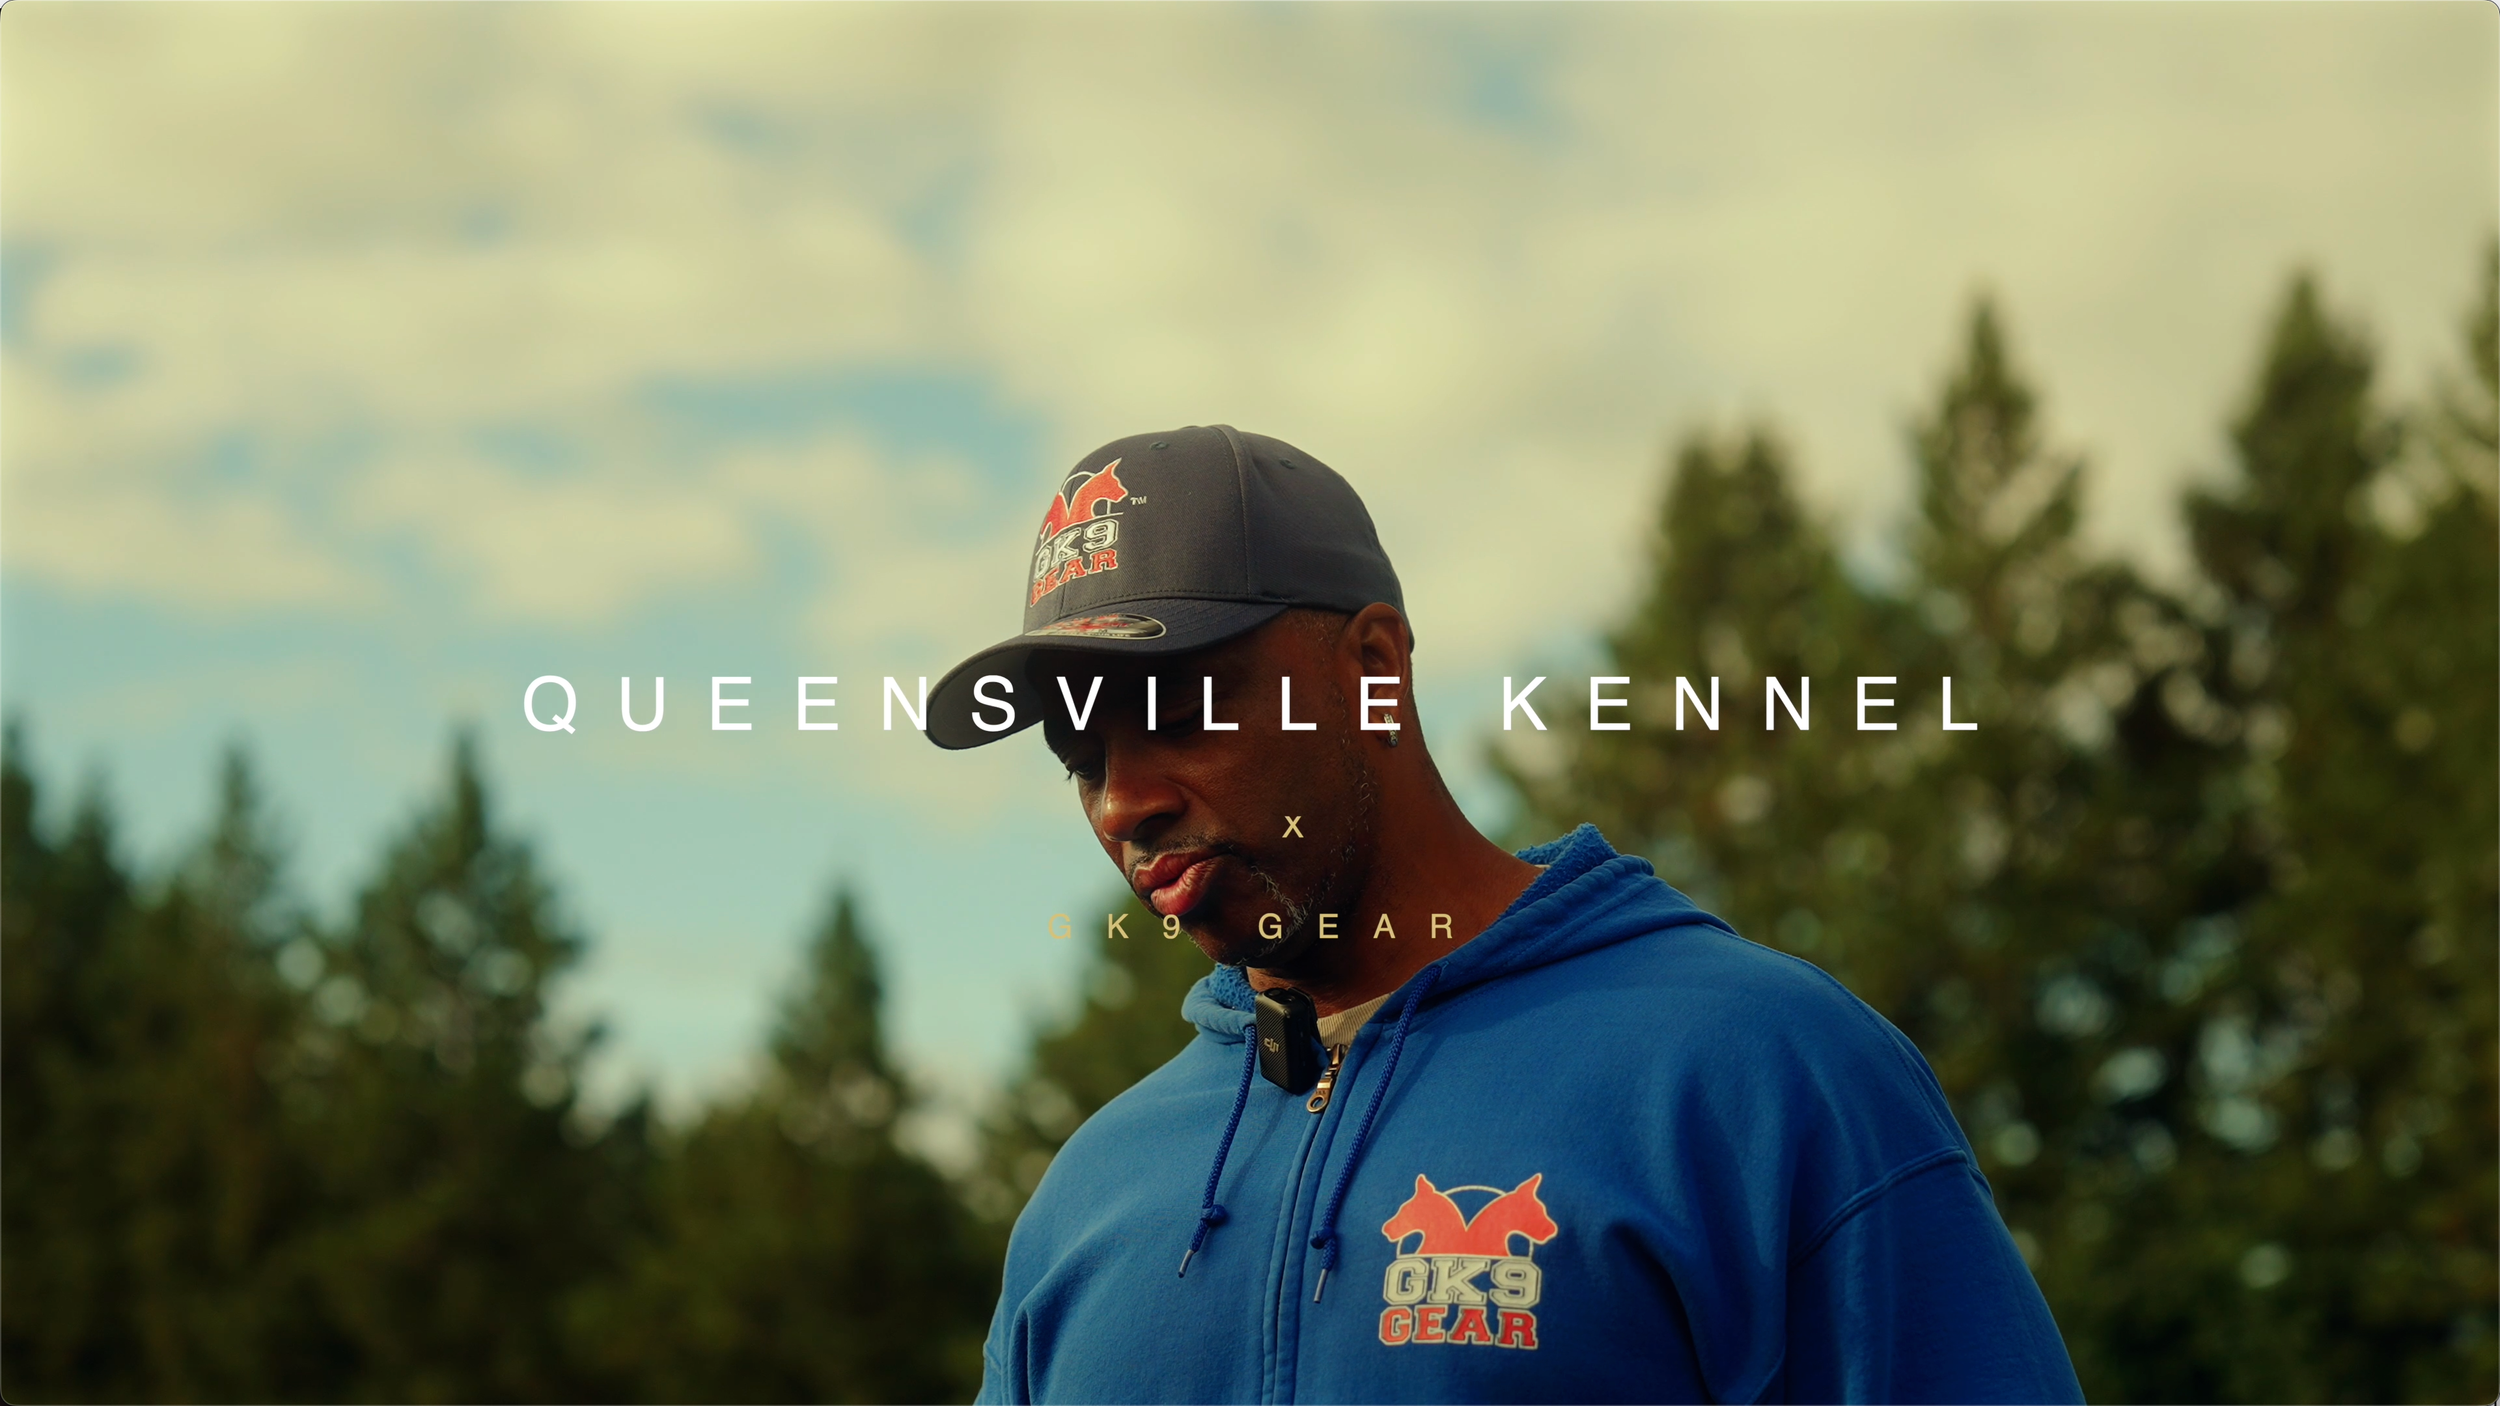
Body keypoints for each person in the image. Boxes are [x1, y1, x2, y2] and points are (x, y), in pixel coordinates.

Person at [924, 424, 2083, 1404]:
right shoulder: (1090, 1192)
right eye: (1080, 749)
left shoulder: (1758, 1077)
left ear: (1373, 667)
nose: (1124, 798)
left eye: (1176, 709)